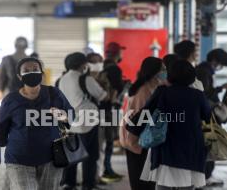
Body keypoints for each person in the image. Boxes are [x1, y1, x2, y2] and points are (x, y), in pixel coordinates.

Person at [0, 57, 73, 190]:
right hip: (18, 158)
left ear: (41, 72)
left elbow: (72, 115)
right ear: (19, 76)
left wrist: (63, 116)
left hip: (51, 157)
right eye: (26, 70)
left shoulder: (54, 94)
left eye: (35, 69)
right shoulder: (11, 100)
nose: (31, 72)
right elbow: (1, 127)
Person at [140, 60, 211, 190]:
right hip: (190, 150)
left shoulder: (162, 92)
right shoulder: (198, 95)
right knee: (187, 185)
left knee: (163, 184)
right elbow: (207, 116)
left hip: (165, 148)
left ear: (170, 75)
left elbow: (147, 113)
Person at [59, 52, 107, 190]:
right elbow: (102, 95)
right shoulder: (85, 79)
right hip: (87, 122)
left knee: (72, 154)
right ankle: (88, 185)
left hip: (70, 121)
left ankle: (69, 183)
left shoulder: (62, 79)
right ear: (83, 64)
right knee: (90, 155)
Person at [119, 57, 166, 190]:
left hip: (140, 139)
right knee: (141, 178)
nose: (165, 71)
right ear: (154, 71)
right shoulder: (144, 91)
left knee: (146, 177)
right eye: (162, 69)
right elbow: (141, 120)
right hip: (137, 139)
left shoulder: (152, 86)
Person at [195, 48, 227, 186]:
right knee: (210, 144)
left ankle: (206, 175)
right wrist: (220, 90)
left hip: (204, 112)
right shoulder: (204, 72)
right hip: (207, 113)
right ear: (215, 61)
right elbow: (205, 93)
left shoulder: (204, 70)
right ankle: (205, 176)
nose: (221, 67)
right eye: (221, 64)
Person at [99, 43, 126, 182]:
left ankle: (101, 170)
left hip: (97, 109)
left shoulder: (101, 66)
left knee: (100, 141)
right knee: (109, 140)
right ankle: (107, 170)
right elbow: (118, 88)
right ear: (117, 53)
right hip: (110, 109)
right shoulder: (115, 68)